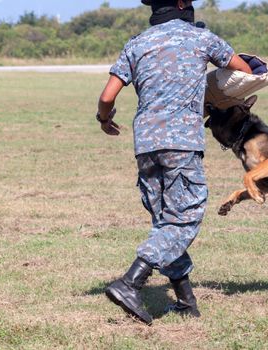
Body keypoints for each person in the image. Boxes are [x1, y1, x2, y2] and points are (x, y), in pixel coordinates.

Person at [96, 0, 252, 325]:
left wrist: (104, 119)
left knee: (165, 221)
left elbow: (108, 96)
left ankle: (185, 301)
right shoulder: (201, 38)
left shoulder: (137, 43)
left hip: (145, 144)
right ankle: (130, 282)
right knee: (184, 218)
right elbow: (244, 71)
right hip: (181, 143)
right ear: (182, 4)